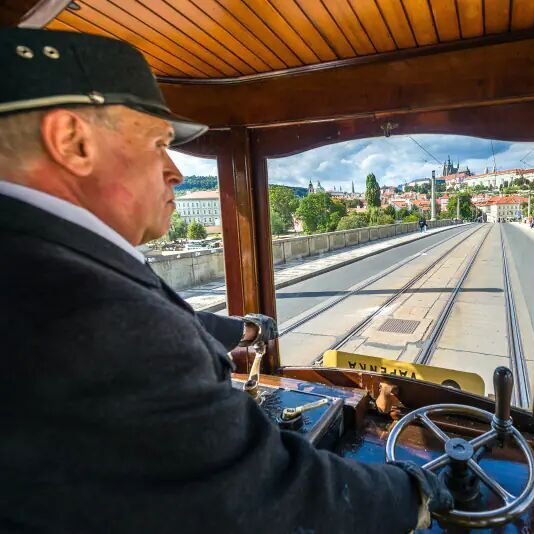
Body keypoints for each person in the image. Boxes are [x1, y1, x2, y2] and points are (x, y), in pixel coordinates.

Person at [0, 28, 451, 533]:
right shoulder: (88, 310)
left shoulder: (43, 259)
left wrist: (242, 332)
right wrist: (409, 492)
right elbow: (265, 495)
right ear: (72, 142)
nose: (174, 171)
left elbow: (166, 318)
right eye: (159, 143)